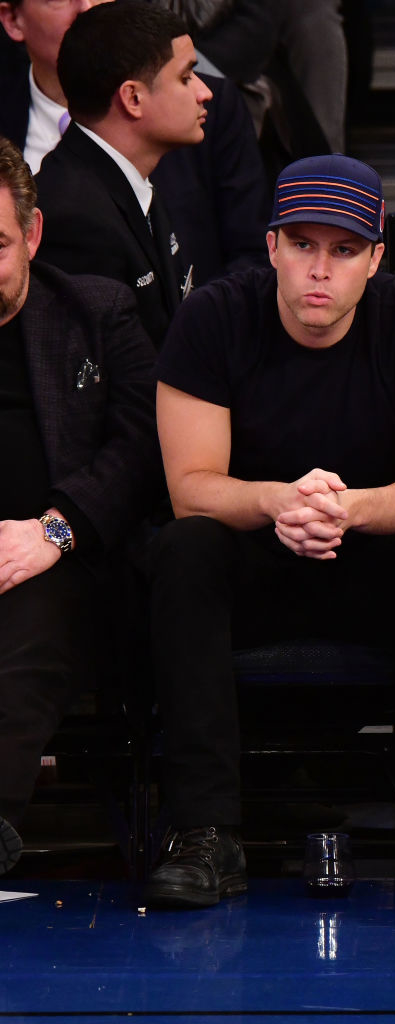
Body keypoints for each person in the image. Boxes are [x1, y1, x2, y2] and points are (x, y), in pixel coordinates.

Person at [144, 153, 395, 909]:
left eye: (342, 250)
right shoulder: (214, 317)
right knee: (181, 550)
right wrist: (277, 502)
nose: (319, 270)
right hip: (253, 563)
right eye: (302, 244)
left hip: (371, 564)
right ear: (271, 246)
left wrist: (348, 510)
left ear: (375, 258)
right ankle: (204, 832)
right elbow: (188, 488)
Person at [0, 135, 160, 872]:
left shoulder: (98, 312)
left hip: (62, 554)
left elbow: (137, 448)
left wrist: (54, 531)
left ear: (31, 235)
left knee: (38, 621)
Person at [0, 0, 270, 286]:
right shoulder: (64, 197)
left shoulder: (209, 113)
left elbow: (253, 255)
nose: (87, 6)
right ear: (13, 19)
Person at [31, 1, 212, 347]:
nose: (205, 92)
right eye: (186, 77)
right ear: (132, 98)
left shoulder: (132, 180)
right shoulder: (72, 218)